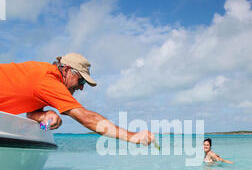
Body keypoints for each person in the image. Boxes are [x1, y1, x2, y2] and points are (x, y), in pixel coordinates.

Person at [0, 53, 155, 146]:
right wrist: (133, 136)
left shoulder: (42, 78)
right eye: (81, 81)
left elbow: (30, 113)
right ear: (66, 70)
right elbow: (86, 118)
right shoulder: (48, 81)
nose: (81, 88)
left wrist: (45, 115)